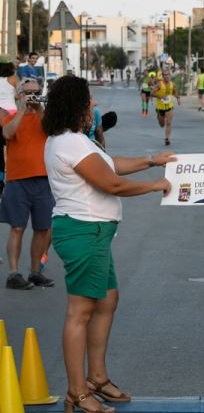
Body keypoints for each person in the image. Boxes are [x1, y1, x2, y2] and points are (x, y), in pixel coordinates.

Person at [42, 75, 174, 413]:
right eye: (89, 100)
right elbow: (111, 184)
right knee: (80, 311)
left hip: (95, 233)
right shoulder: (69, 143)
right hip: (83, 232)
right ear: (76, 105)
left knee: (107, 300)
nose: (93, 106)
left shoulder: (76, 140)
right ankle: (77, 391)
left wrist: (150, 160)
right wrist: (154, 185)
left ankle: (97, 378)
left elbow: (112, 165)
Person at [1, 78, 54, 290]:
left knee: (42, 229)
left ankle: (35, 272)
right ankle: (13, 274)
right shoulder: (10, 115)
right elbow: (8, 133)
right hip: (17, 180)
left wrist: (39, 107)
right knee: (17, 228)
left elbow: (52, 132)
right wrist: (22, 109)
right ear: (18, 94)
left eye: (35, 92)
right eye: (27, 92)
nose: (31, 96)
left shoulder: (45, 118)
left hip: (43, 180)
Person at [151, 69, 180, 146]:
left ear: (169, 75)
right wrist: (160, 96)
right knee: (161, 124)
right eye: (165, 75)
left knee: (168, 122)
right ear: (163, 76)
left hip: (169, 106)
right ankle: (158, 116)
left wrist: (177, 98)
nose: (166, 76)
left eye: (168, 75)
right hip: (160, 107)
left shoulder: (172, 84)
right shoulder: (159, 84)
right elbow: (152, 93)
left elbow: (174, 92)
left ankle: (167, 138)